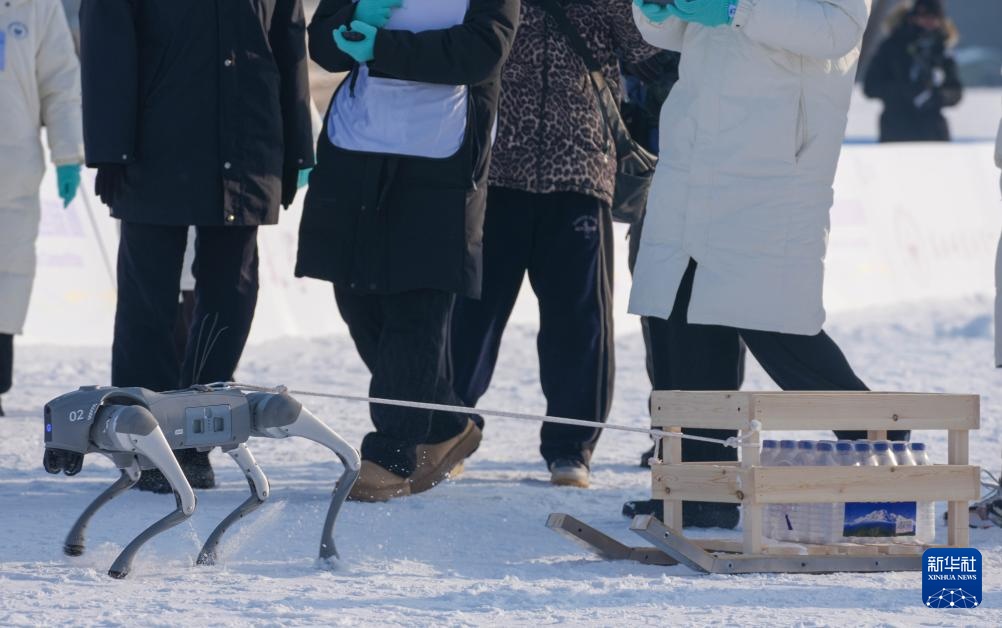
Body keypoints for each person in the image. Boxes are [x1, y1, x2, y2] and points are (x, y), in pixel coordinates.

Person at [628, 0, 909, 528]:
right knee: (681, 320)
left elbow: (838, 29)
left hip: (772, 166)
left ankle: (881, 446)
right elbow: (665, 34)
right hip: (697, 159)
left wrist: (737, 6)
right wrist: (656, 7)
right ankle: (697, 489)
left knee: (779, 331)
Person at [79, 0, 314, 491]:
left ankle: (192, 436)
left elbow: (289, 40)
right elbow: (107, 37)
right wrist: (109, 145)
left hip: (247, 138)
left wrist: (296, 147)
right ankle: (144, 437)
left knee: (233, 289)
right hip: (154, 139)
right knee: (149, 295)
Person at [296, 0, 520, 502]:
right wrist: (350, 24)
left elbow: (482, 51)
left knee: (416, 305)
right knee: (355, 295)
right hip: (358, 145)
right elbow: (323, 43)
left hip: (439, 156)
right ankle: (443, 423)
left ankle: (393, 452)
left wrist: (382, 47)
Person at [448, 0, 659, 489]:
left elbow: (645, 45)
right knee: (470, 314)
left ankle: (571, 447)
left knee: (579, 321)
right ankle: (449, 427)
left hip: (580, 173)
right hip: (496, 171)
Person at [0, 0, 83, 417]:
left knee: (8, 274)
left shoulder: (37, 6)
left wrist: (68, 154)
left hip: (12, 169)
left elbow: (61, 81)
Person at [863, 0, 963, 143]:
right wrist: (903, 92)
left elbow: (955, 90)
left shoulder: (942, 48)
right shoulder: (892, 46)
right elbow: (870, 87)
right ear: (913, 17)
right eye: (925, 17)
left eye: (934, 18)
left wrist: (936, 96)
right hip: (895, 131)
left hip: (934, 134)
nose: (929, 22)